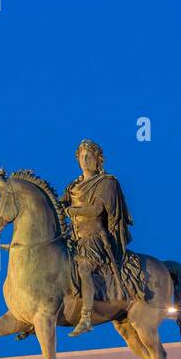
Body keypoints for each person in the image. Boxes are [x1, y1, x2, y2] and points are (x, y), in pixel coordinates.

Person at [61, 139, 132, 337]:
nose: (85, 160)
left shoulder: (106, 182)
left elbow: (96, 210)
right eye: (81, 156)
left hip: (95, 237)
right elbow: (59, 207)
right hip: (74, 238)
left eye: (89, 156)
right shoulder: (73, 186)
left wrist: (73, 210)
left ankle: (86, 317)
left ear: (98, 160)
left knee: (84, 267)